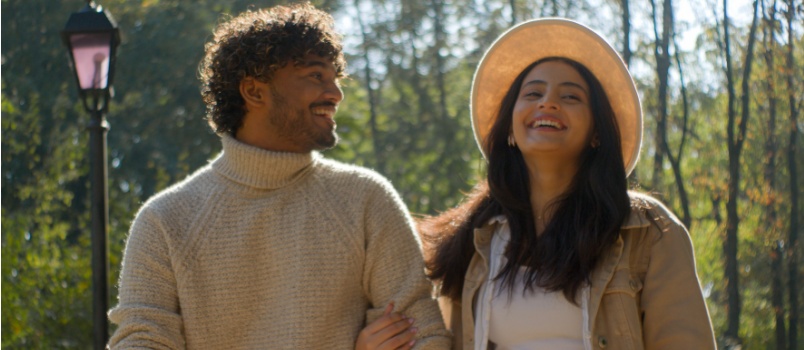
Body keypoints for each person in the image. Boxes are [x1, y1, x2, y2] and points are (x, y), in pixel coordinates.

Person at [107, 3, 450, 349]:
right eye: (316, 76)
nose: (336, 94)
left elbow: (423, 335)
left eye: (335, 79)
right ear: (254, 91)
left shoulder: (366, 200)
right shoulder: (165, 222)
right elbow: (142, 342)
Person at [410, 18, 715, 349]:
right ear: (510, 128)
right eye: (533, 93)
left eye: (570, 96)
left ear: (597, 133)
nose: (548, 102)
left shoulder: (647, 232)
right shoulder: (475, 238)